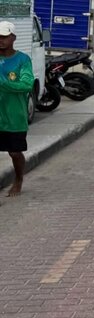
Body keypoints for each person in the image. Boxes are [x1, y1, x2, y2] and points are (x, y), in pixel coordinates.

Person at [0, 20, 35, 197]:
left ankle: (19, 178)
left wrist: (3, 84)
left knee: (14, 152)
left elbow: (26, 85)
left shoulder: (22, 60)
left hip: (14, 116)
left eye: (4, 37)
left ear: (13, 37)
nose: (1, 40)